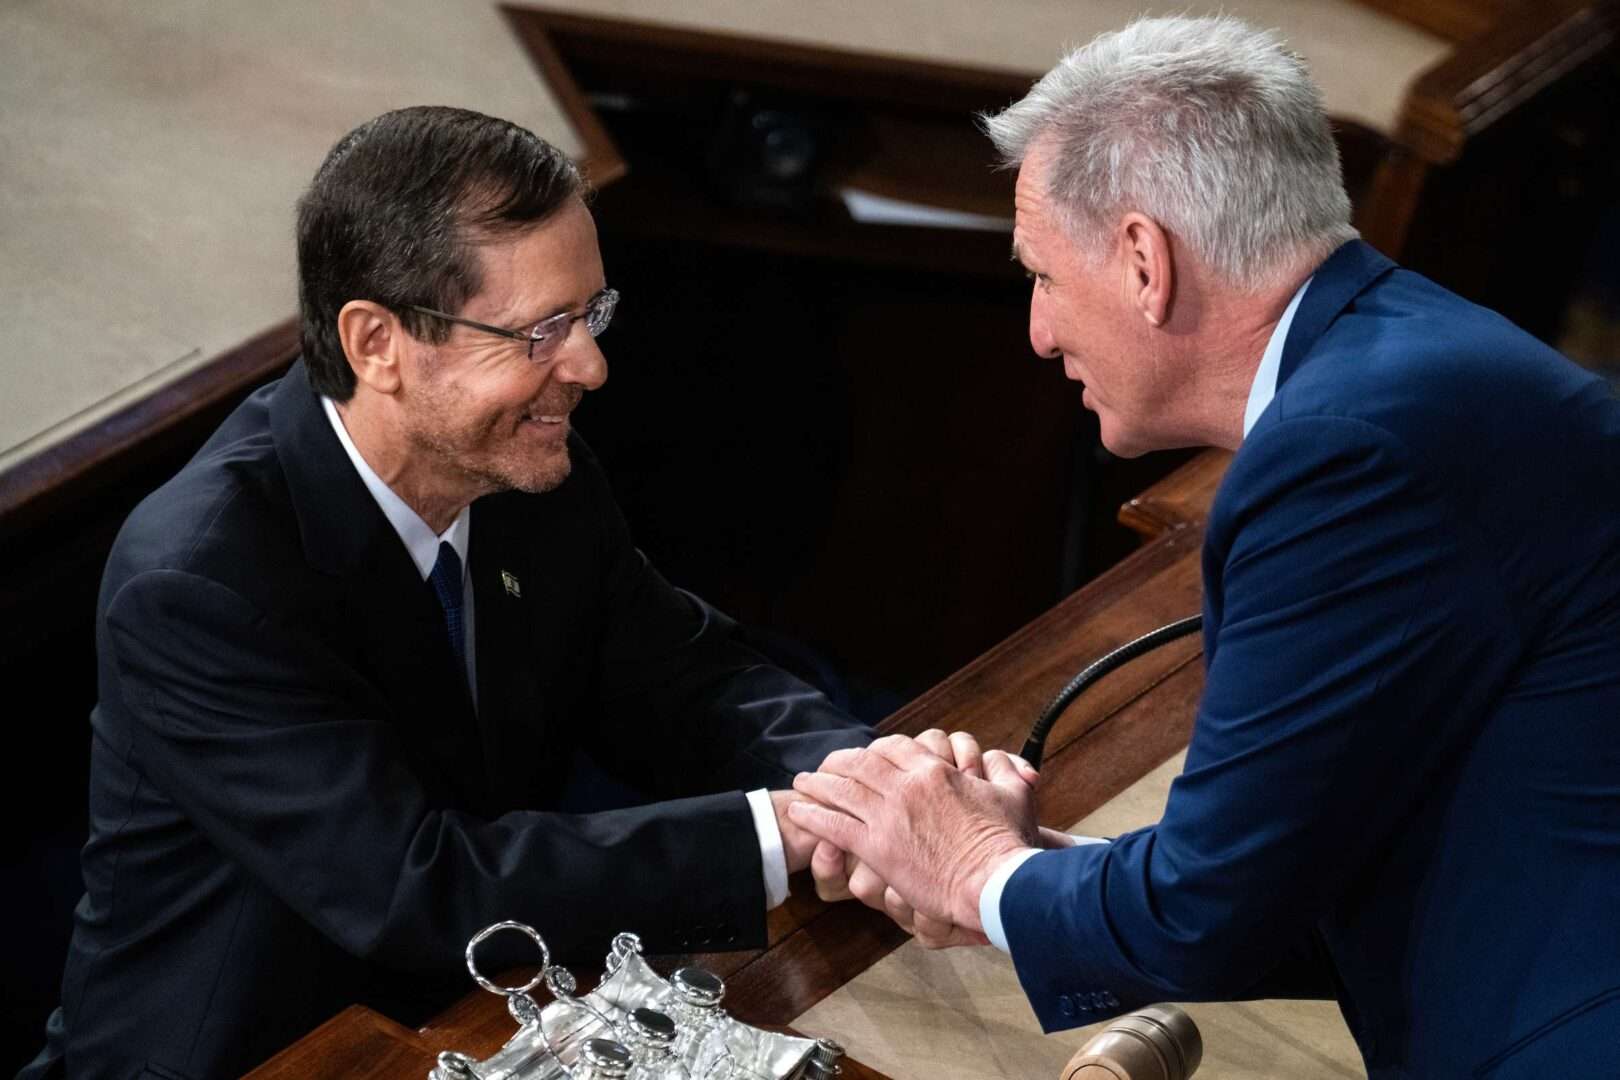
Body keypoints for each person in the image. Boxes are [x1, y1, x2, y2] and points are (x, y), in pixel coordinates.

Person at [790, 16, 1620, 1079]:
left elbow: (1210, 911)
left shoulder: (1342, 453)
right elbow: (1297, 870)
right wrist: (1028, 880)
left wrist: (976, 870)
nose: (1039, 331)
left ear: (1144, 259)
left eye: (1041, 274)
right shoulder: (1409, 367)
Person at [21, 106, 873, 1080]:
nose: (591, 366)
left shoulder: (527, 474)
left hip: (478, 1018)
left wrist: (864, 781)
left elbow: (685, 678)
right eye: (542, 331)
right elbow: (414, 886)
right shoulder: (200, 580)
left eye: (592, 314)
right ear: (377, 343)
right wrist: (780, 835)